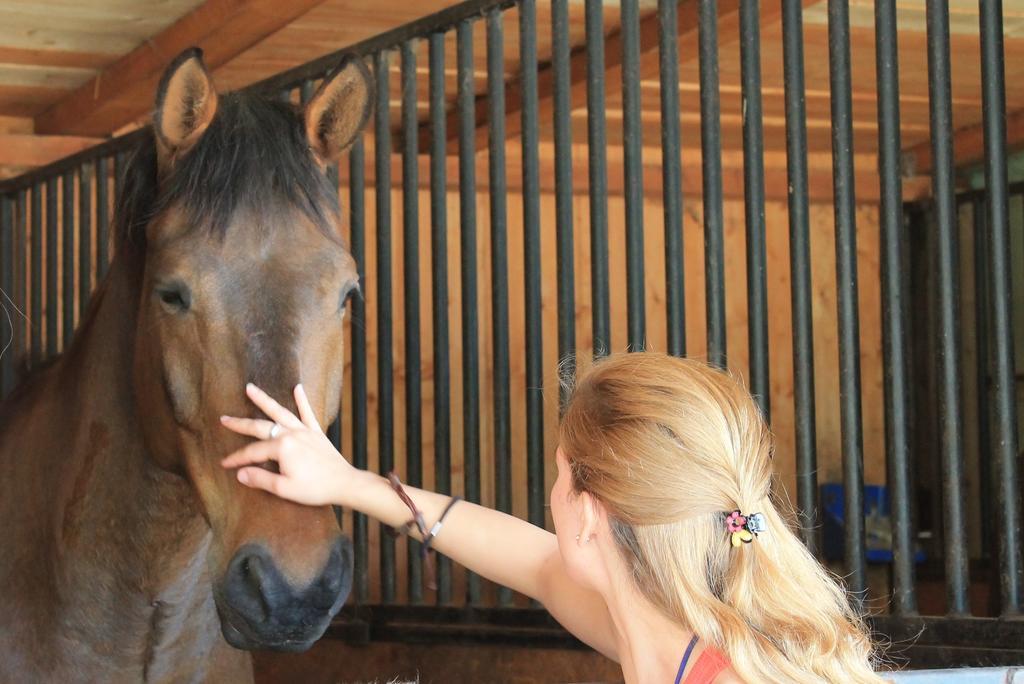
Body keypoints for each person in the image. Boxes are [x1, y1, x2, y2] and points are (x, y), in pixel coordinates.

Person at [220, 352, 885, 683]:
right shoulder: (670, 635)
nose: (550, 495)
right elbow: (534, 561)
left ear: (590, 516)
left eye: (560, 473)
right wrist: (348, 482)